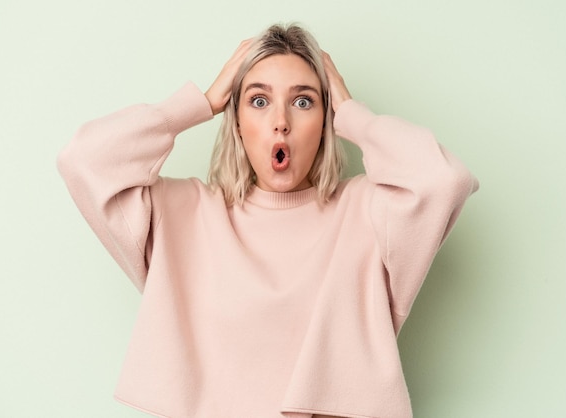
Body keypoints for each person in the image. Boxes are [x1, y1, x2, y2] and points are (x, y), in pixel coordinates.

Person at [58, 23, 478, 418]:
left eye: (303, 101)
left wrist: (352, 113)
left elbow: (442, 181)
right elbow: (85, 160)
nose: (281, 121)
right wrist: (199, 104)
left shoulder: (369, 213)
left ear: (325, 121)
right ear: (237, 122)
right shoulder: (183, 214)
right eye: (259, 101)